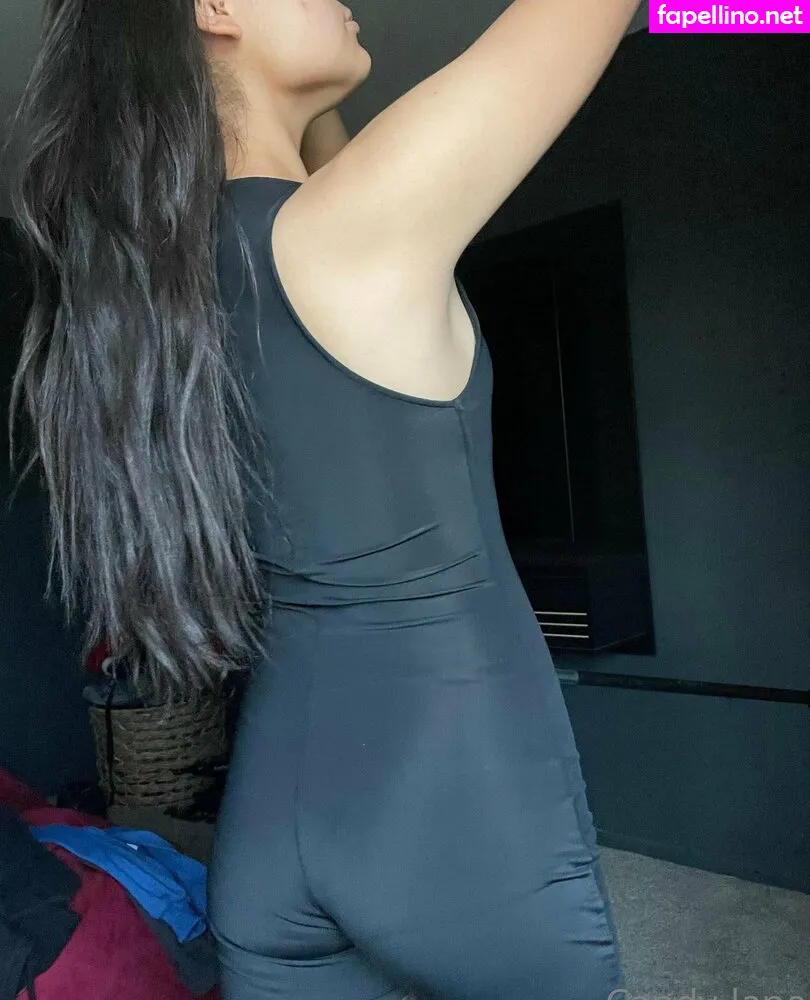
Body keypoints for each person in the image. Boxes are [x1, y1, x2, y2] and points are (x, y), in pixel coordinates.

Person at [5, 0, 641, 996]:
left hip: (273, 820)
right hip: (456, 797)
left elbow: (316, 178)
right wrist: (760, 11)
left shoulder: (168, 291)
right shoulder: (350, 232)